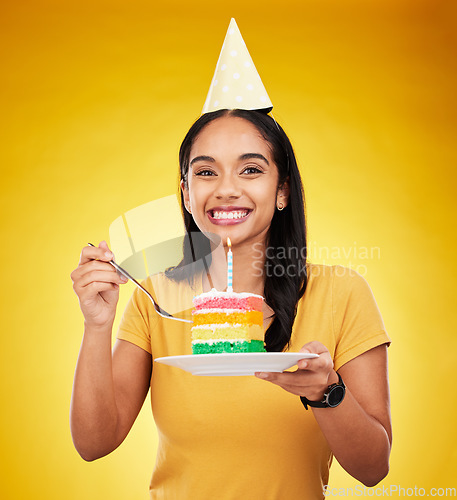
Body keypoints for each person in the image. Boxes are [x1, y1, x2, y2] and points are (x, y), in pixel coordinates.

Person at [70, 109, 392, 499]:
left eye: (251, 170)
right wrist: (97, 325)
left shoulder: (341, 293)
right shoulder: (156, 297)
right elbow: (93, 444)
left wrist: (327, 391)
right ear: (187, 194)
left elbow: (373, 469)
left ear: (283, 190)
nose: (226, 189)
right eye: (206, 172)